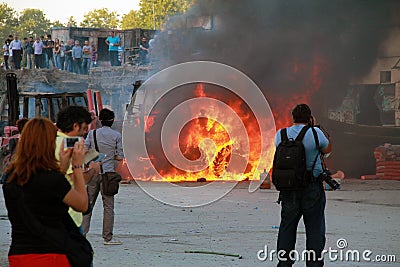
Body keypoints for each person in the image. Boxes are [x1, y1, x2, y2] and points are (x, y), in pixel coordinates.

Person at [2, 118, 88, 266]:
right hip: (52, 252)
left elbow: (39, 194)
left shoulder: (11, 177)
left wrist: (61, 168)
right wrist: (77, 166)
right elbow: (82, 205)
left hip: (20, 253)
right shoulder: (52, 179)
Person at [275, 104, 331, 267]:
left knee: (287, 227)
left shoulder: (281, 134)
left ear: (293, 118)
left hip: (289, 189)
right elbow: (327, 150)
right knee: (314, 228)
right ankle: (314, 264)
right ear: (309, 118)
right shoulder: (315, 133)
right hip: (311, 189)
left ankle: (284, 263)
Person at [82, 108, 124, 245]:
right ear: (112, 121)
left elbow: (85, 151)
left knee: (88, 206)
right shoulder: (116, 135)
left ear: (100, 120)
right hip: (108, 175)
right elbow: (119, 156)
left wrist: (94, 160)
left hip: (93, 174)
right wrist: (110, 157)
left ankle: (82, 235)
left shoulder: (91, 134)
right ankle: (108, 238)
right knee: (108, 207)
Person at [55, 106, 100, 231]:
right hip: (70, 215)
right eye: (84, 128)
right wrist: (93, 170)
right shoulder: (69, 145)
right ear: (75, 126)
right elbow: (76, 178)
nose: (85, 132)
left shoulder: (52, 141)